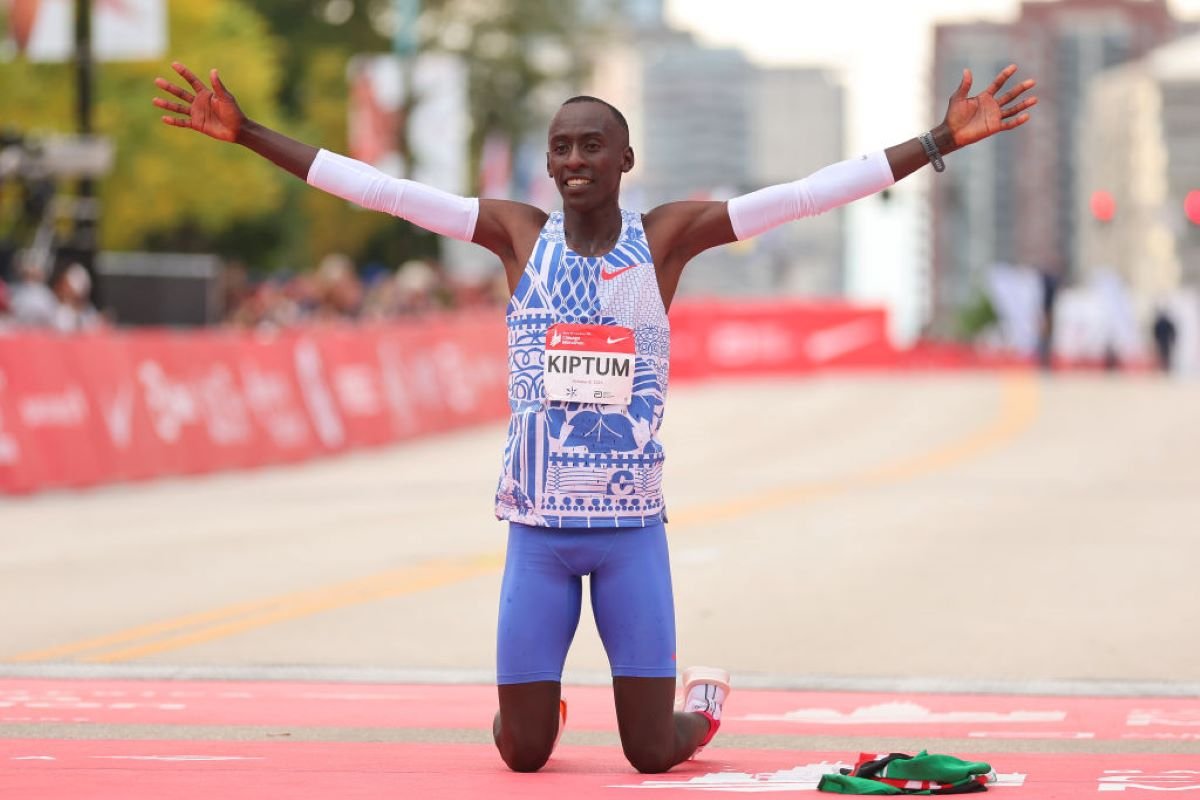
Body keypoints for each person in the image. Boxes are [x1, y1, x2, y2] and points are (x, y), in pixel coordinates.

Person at [153, 58, 1037, 774]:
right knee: (523, 753)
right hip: (537, 536)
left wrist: (935, 140)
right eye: (561, 148)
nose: (574, 160)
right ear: (549, 164)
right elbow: (378, 190)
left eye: (592, 146)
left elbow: (807, 193)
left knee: (651, 755)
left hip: (629, 537)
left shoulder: (665, 240)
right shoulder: (513, 235)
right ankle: (536, 705)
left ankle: (703, 702)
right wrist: (246, 136)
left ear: (624, 160)